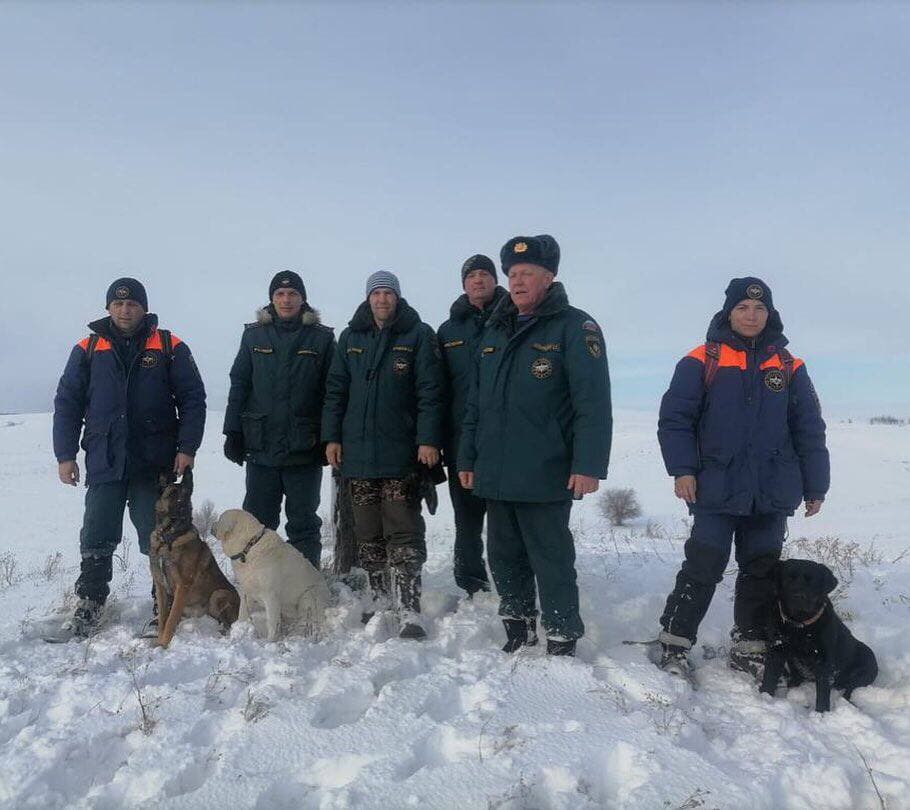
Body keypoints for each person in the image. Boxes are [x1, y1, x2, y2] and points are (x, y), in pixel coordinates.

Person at [655, 277, 829, 678]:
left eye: (759, 309)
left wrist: (815, 484)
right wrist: (682, 469)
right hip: (715, 487)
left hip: (771, 491)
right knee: (703, 565)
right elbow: (675, 420)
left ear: (770, 314)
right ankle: (675, 642)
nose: (751, 315)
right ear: (729, 312)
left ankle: (750, 643)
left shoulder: (789, 366)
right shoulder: (702, 359)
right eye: (742, 308)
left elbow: (809, 428)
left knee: (761, 569)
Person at [458, 235, 612, 656]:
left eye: (527, 273)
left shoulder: (575, 327)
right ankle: (518, 623)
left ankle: (561, 633)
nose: (518, 281)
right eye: (512, 274)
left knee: (550, 557)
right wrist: (468, 455)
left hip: (546, 468)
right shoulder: (495, 329)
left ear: (550, 277)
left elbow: (593, 402)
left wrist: (589, 464)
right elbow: (476, 402)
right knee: (503, 554)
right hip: (495, 467)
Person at [53, 277, 206, 636]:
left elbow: (192, 399)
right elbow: (67, 403)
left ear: (143, 308)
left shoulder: (168, 345)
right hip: (105, 460)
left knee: (157, 537)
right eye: (118, 304)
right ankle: (90, 604)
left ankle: (162, 604)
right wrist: (65, 454)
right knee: (96, 534)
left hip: (153, 463)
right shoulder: (88, 347)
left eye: (132, 304)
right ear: (108, 308)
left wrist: (187, 448)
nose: (125, 310)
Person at [322, 271, 444, 639]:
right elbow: (335, 391)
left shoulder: (418, 335)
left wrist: (428, 440)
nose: (382, 300)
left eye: (388, 293)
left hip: (401, 457)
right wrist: (331, 437)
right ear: (367, 299)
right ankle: (379, 599)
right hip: (357, 458)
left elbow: (430, 392)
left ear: (397, 298)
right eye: (376, 294)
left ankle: (409, 608)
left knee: (403, 532)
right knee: (368, 534)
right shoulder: (350, 338)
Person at [222, 271, 335, 569]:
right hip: (261, 448)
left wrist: (329, 437)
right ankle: (255, 588)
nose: (286, 300)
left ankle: (306, 588)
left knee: (304, 524)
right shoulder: (254, 335)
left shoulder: (322, 338)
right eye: (280, 295)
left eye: (292, 294)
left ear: (302, 299)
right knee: (257, 525)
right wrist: (232, 430)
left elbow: (332, 392)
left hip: (304, 448)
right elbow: (240, 383)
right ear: (271, 299)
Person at [437, 254, 507, 597]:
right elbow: (436, 389)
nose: (478, 280)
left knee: (505, 520)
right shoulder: (448, 331)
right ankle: (471, 584)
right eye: (471, 276)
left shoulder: (514, 318)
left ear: (495, 280)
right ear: (463, 284)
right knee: (466, 519)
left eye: (484, 274)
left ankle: (510, 581)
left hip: (506, 441)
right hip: (461, 440)